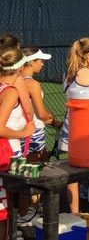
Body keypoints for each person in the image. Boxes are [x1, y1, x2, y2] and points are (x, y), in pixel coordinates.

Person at [60, 38, 89, 213]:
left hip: (69, 129)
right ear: (88, 54)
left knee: (72, 176)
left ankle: (74, 213)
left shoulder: (68, 73)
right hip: (87, 131)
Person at [0, 48, 36, 238]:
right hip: (6, 159)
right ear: (20, 69)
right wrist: (24, 132)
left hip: (9, 157)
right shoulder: (10, 92)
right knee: (5, 213)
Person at [21, 47, 54, 162]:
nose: (42, 64)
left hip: (18, 131)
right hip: (34, 131)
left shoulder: (13, 80)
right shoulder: (33, 84)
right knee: (35, 168)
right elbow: (41, 114)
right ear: (31, 62)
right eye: (40, 60)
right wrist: (49, 117)